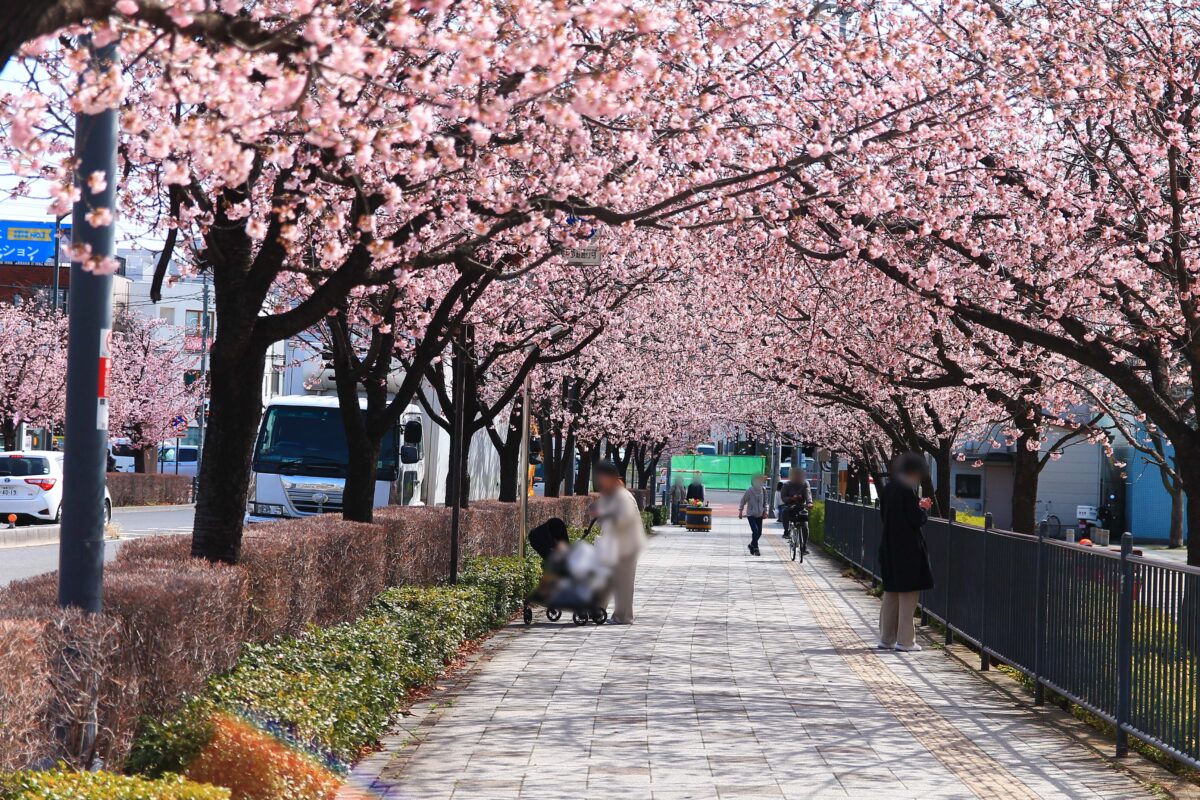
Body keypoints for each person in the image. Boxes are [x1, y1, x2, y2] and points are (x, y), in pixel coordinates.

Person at [877, 452, 934, 653]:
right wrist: (923, 509)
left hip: (889, 546)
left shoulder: (889, 488)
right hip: (907, 549)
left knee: (891, 593)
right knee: (908, 595)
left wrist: (916, 507)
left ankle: (886, 638)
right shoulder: (906, 491)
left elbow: (888, 514)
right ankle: (905, 641)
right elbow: (915, 520)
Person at [591, 461, 646, 625]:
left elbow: (623, 519)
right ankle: (598, 611)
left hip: (626, 546)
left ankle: (623, 617)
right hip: (616, 545)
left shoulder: (622, 496)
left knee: (623, 583)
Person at [779, 468, 813, 547]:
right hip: (790, 507)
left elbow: (808, 494)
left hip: (801, 507)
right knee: (785, 512)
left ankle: (804, 546)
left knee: (805, 526)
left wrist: (809, 503)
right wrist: (791, 498)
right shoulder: (786, 485)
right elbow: (783, 497)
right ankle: (786, 531)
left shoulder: (805, 483)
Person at [738, 474, 767, 556]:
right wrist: (740, 511)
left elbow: (765, 503)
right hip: (751, 514)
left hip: (760, 514)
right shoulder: (749, 491)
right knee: (755, 531)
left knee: (759, 533)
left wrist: (765, 511)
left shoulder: (763, 490)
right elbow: (743, 501)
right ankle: (756, 548)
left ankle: (751, 545)